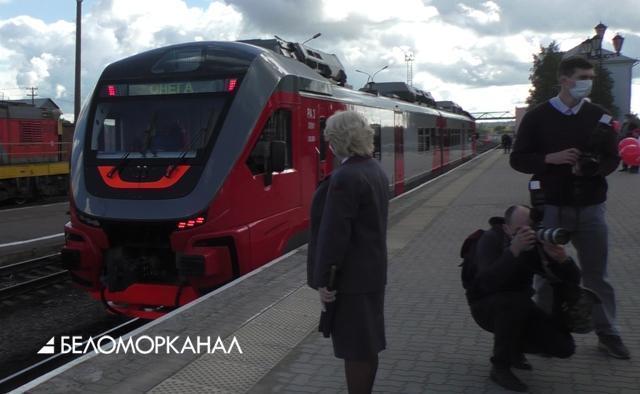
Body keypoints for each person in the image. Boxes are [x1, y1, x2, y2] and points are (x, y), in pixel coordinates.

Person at [510, 56, 630, 359]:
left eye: (590, 77)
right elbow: (518, 158)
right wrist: (549, 159)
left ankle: (608, 333)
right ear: (564, 79)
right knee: (548, 275)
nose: (588, 82)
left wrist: (591, 170)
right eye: (582, 77)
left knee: (596, 275)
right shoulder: (538, 117)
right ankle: (546, 332)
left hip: (591, 207)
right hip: (551, 206)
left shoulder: (599, 116)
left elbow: (613, 159)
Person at [307, 110, 389, 394]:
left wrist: (326, 282)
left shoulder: (345, 177)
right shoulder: (373, 169)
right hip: (371, 273)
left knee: (355, 348)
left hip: (351, 281)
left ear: (337, 140)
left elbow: (334, 236)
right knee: (366, 344)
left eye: (329, 137)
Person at [468, 205, 580, 392]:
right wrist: (513, 251)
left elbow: (572, 281)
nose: (526, 234)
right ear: (506, 228)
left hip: (518, 307)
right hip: (485, 306)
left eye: (529, 228)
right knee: (512, 301)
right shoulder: (490, 240)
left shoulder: (535, 243)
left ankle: (513, 349)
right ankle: (500, 366)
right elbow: (486, 284)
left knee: (564, 347)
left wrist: (563, 261)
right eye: (520, 230)